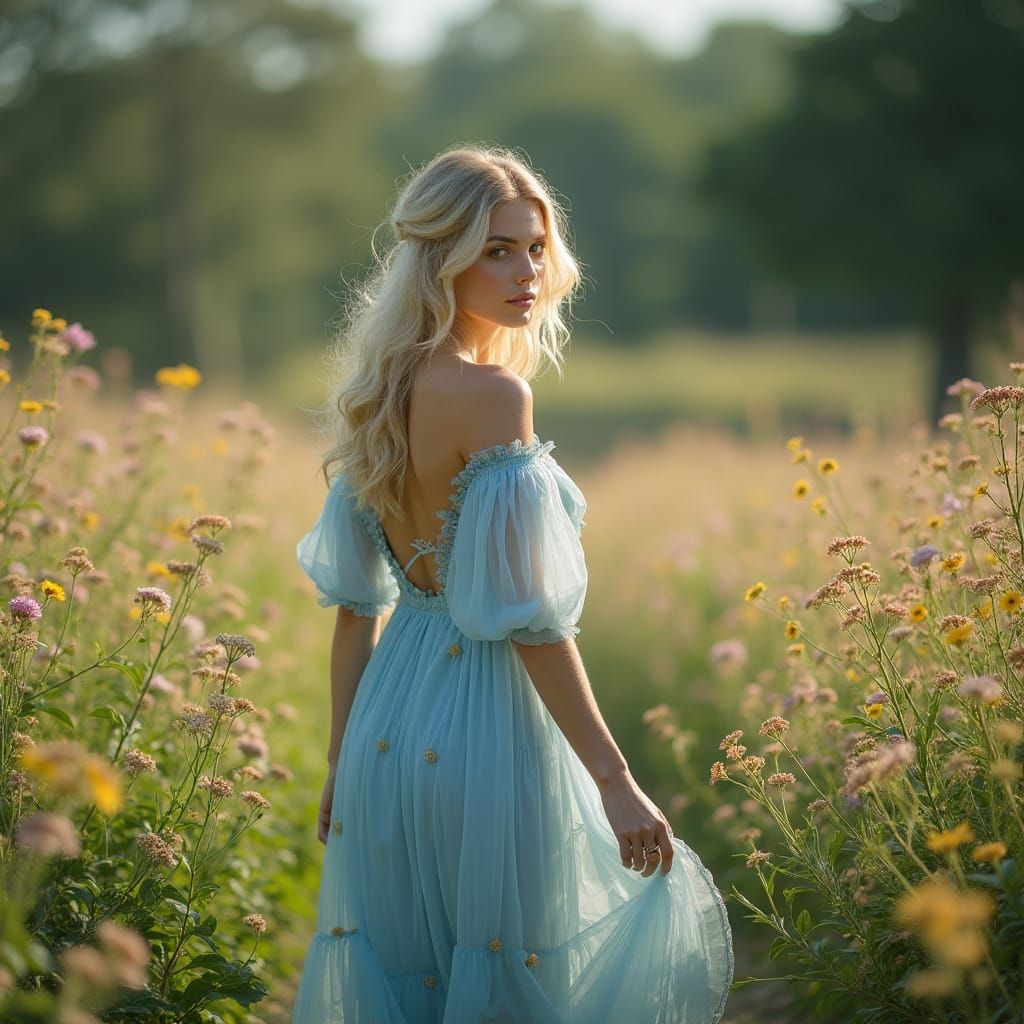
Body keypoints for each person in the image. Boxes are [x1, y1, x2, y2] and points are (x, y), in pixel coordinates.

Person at [291, 144, 733, 1023]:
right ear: (440, 258)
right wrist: (612, 778)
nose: (526, 270)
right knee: (507, 976)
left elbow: (356, 612)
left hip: (383, 733)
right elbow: (529, 622)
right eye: (495, 249)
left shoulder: (377, 392)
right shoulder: (494, 397)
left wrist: (341, 762)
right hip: (484, 726)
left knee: (410, 977)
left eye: (534, 246)